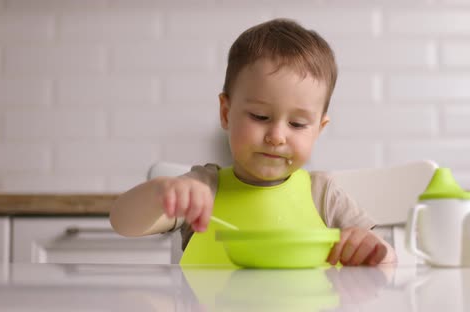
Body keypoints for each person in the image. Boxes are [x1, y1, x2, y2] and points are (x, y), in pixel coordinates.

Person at [110, 18, 397, 266]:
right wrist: (164, 191)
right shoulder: (204, 188)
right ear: (226, 113)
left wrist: (372, 249)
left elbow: (385, 257)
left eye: (297, 124)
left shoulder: (323, 195)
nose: (277, 136)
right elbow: (123, 223)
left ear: (319, 129)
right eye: (260, 116)